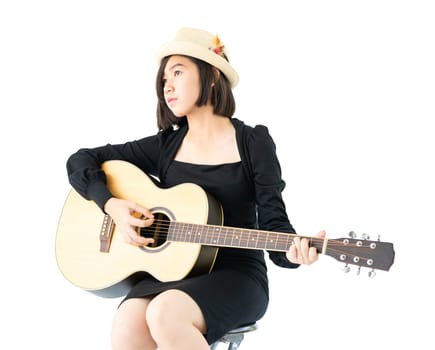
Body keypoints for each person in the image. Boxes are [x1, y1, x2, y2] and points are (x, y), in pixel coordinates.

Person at [66, 26, 326, 350]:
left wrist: (296, 252)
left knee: (165, 312)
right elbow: (81, 160)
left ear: (212, 75)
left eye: (177, 72)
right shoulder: (166, 147)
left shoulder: (253, 143)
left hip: (238, 275)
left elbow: (275, 228)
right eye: (163, 79)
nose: (168, 86)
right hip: (172, 272)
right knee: (128, 319)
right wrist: (112, 205)